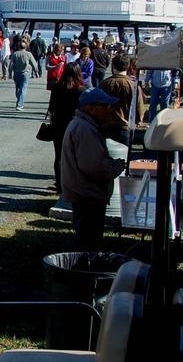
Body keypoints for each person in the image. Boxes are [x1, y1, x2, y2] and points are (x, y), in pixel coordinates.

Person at [60, 88, 125, 251]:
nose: (108, 109)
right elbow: (95, 167)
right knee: (89, 243)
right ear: (90, 108)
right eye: (104, 105)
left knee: (88, 238)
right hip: (87, 194)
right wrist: (118, 165)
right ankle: (85, 271)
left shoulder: (84, 125)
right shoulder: (85, 129)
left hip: (85, 192)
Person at [48, 63, 87, 194]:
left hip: (59, 123)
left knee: (59, 156)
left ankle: (60, 185)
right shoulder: (81, 90)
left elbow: (51, 108)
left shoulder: (57, 87)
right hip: (74, 124)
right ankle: (73, 183)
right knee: (75, 156)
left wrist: (52, 120)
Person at [100, 54, 142, 144]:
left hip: (108, 126)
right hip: (125, 126)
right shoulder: (133, 85)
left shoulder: (104, 84)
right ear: (128, 66)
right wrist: (138, 120)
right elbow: (139, 106)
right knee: (125, 156)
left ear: (113, 66)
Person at [9, 40, 37, 111]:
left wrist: (9, 73)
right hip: (25, 73)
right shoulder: (28, 54)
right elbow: (34, 64)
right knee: (23, 89)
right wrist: (36, 72)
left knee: (18, 88)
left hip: (16, 73)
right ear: (26, 47)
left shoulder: (15, 54)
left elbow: (11, 64)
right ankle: (20, 104)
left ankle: (19, 101)